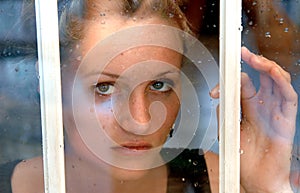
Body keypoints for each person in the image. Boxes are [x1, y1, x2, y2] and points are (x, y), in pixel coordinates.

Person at [3, 0, 298, 193]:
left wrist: (268, 186)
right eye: (103, 87)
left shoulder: (218, 180)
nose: (141, 122)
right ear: (52, 85)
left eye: (159, 85)